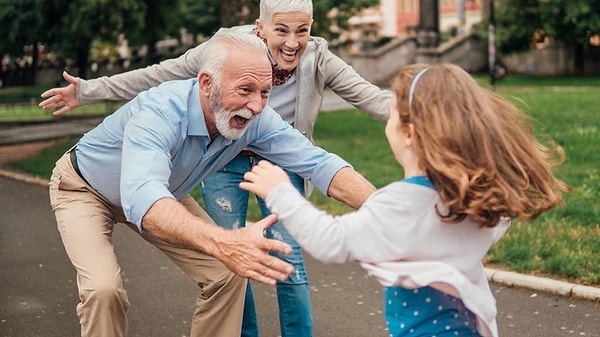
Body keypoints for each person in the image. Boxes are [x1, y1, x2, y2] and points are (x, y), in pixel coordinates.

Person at [39, 1, 391, 336]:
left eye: (265, 92)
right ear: (207, 83)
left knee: (227, 273)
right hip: (86, 189)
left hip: (163, 193)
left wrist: (386, 210)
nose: (256, 106)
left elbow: (320, 163)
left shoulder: (258, 116)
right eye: (245, 90)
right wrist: (224, 241)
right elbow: (142, 196)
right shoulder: (160, 113)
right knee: (104, 289)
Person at [239, 63, 570, 337]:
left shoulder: (401, 203)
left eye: (392, 112)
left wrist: (280, 191)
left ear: (409, 132)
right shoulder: (474, 199)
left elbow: (331, 241)